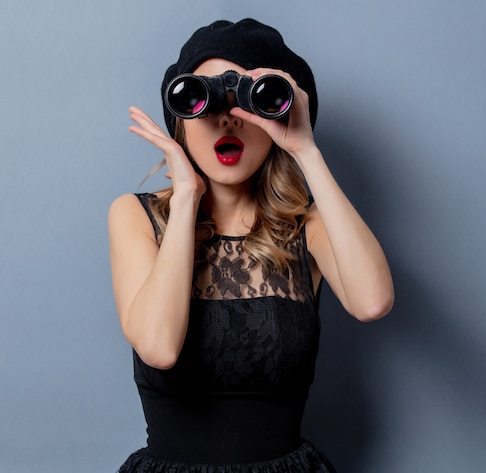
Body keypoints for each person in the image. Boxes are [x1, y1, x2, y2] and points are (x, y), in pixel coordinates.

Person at [108, 18, 394, 473]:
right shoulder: (136, 215)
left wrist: (306, 149)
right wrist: (186, 198)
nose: (225, 118)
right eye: (204, 101)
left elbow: (372, 301)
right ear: (181, 118)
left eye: (247, 102)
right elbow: (158, 348)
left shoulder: (309, 227)